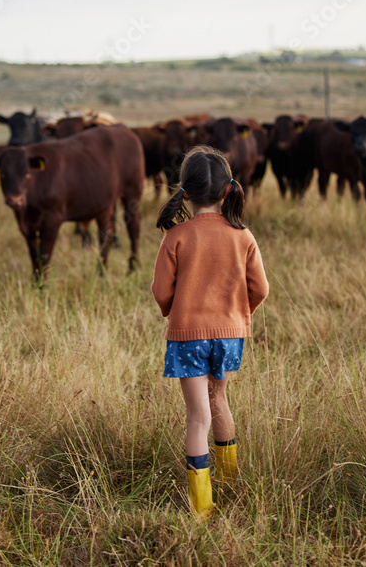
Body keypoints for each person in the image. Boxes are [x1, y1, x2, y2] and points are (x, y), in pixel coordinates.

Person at [151, 147, 269, 519]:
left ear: (184, 192)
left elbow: (160, 292)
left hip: (188, 336)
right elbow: (261, 289)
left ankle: (202, 509)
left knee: (197, 416)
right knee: (220, 401)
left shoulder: (176, 237)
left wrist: (177, 311)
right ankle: (231, 483)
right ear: (226, 191)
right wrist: (238, 315)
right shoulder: (243, 235)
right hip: (231, 334)